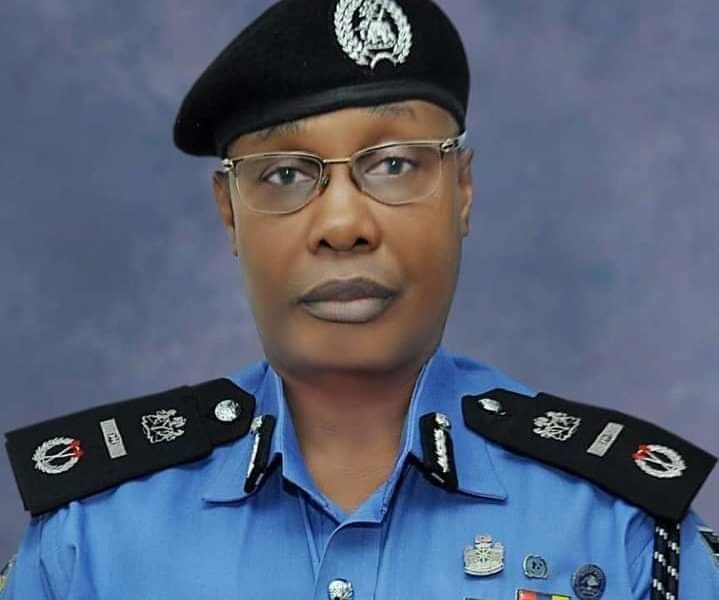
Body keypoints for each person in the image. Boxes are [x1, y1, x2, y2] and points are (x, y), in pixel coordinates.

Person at [2, 0, 718, 598]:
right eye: (284, 174)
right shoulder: (92, 540)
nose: (343, 224)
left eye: (394, 164)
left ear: (462, 191)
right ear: (229, 212)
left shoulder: (621, 530)